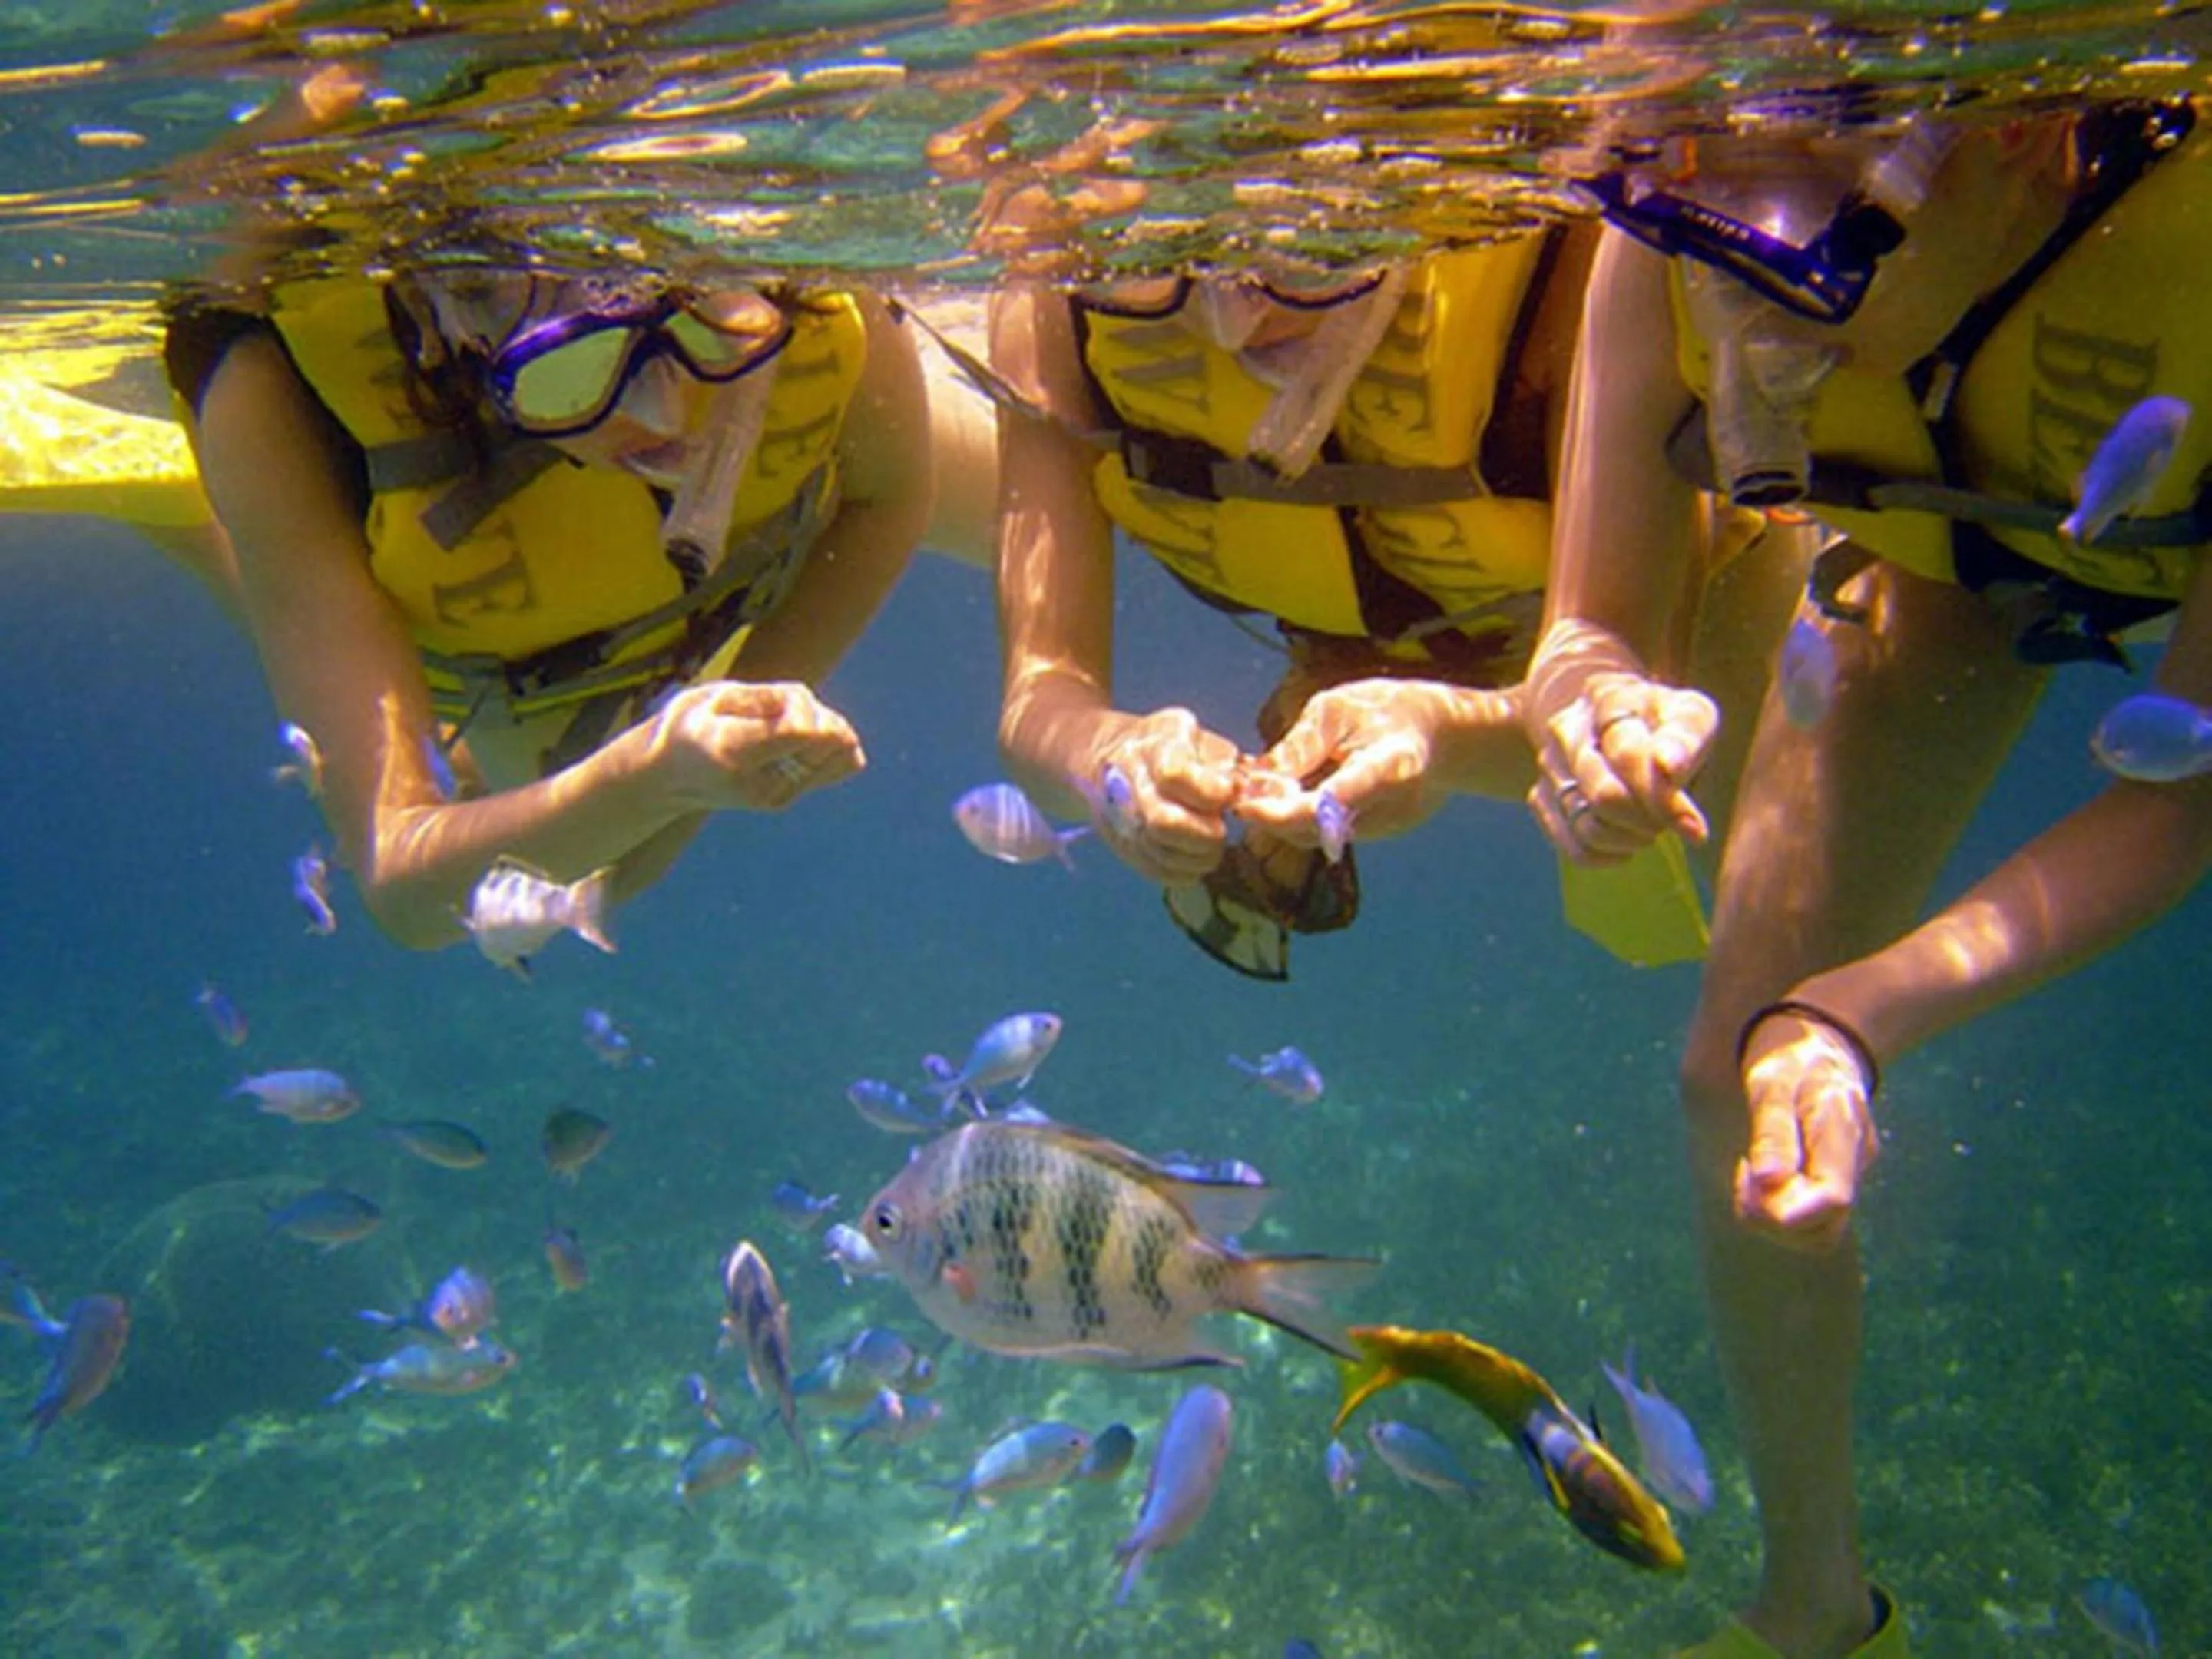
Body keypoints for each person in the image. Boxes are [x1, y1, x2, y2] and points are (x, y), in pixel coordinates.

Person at [1525, 102, 2212, 1658]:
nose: (1746, 286)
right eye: (1700, 195)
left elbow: (2185, 801)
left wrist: (1864, 1015)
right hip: (1941, 552)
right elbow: (1586, 628)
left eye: (1827, 230)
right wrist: (1590, 715)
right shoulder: (1663, 214)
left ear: (2029, 135)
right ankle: (1818, 1609)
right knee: (1734, 1075)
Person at [984, 228, 1759, 979]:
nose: (1231, 322)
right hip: (1335, 577)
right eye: (1155, 259)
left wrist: (1440, 731)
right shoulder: (1059, 248)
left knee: (1744, 1015)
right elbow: (1041, 693)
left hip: (1700, 592)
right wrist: (1109, 759)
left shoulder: (1582, 255)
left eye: (1304, 255)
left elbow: (1612, 692)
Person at [169, 253, 939, 949]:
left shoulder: (800, 273)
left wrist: (728, 729)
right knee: (555, 839)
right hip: (471, 645)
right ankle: (178, 517)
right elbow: (403, 883)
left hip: (738, 550)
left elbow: (891, 490)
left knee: (605, 856)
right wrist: (654, 782)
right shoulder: (259, 388)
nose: (663, 415)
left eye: (706, 331)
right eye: (579, 369)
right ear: (458, 339)